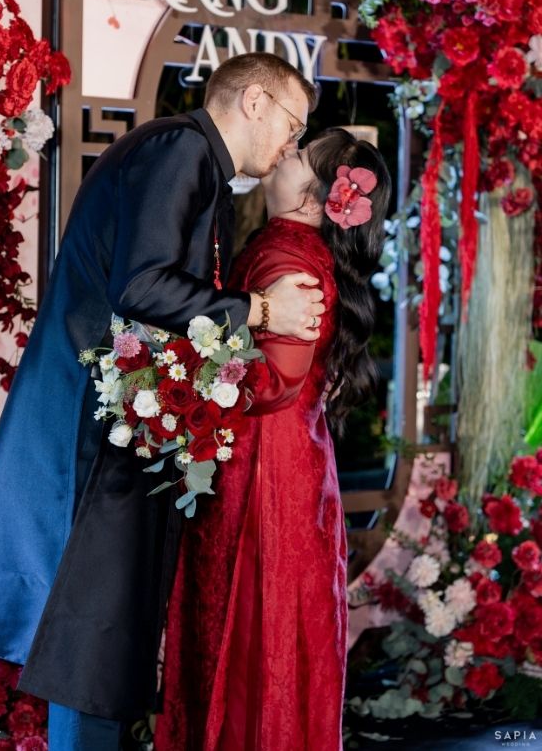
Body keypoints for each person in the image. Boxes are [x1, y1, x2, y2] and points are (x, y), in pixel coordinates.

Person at [0, 53, 327, 746]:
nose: (289, 147)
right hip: (95, 435)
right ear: (255, 102)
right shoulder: (180, 150)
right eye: (293, 126)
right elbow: (142, 285)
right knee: (92, 640)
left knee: (101, 644)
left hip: (117, 423)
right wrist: (262, 310)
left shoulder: (192, 161)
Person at [154, 127, 392, 751]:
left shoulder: (290, 258)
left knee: (253, 641)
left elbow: (270, 381)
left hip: (265, 473)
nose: (284, 152)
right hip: (280, 461)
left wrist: (172, 369)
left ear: (317, 198)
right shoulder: (288, 246)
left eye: (299, 154)